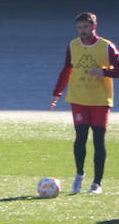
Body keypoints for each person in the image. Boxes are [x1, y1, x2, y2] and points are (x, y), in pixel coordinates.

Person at [49, 12, 118, 195]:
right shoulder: (73, 45)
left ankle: (96, 183)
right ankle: (79, 175)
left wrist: (104, 72)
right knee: (80, 138)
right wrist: (57, 92)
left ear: (94, 26)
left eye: (85, 27)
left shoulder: (106, 47)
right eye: (79, 28)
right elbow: (67, 69)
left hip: (100, 100)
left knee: (98, 140)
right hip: (78, 99)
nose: (82, 31)